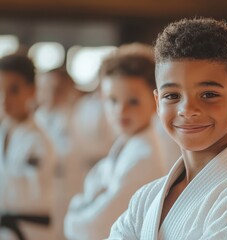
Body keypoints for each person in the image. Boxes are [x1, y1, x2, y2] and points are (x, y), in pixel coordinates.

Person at [107, 18, 227, 240]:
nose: (187, 109)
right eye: (172, 96)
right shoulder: (147, 198)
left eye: (208, 94)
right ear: (157, 104)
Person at [64, 43, 167, 240]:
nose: (121, 111)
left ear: (156, 101)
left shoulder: (144, 157)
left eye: (133, 101)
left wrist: (76, 211)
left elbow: (96, 225)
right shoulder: (127, 145)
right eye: (112, 100)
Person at [0, 54, 55, 240]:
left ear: (31, 91)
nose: (5, 99)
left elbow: (28, 189)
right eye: (0, 90)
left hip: (29, 231)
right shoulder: (4, 131)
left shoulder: (38, 139)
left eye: (13, 90)